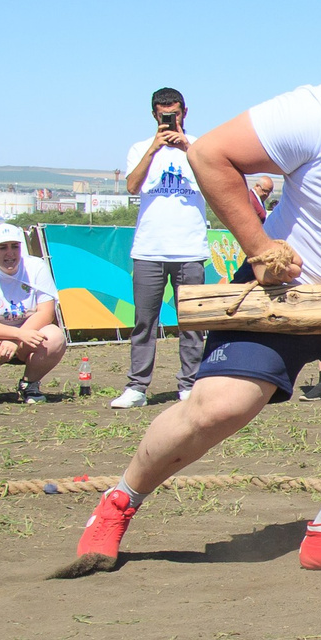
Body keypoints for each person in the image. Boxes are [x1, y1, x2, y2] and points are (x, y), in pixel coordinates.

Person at [72, 36, 321, 577]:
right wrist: (260, 248)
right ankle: (119, 503)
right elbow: (209, 153)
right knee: (221, 406)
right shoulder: (316, 113)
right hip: (285, 294)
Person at [113, 87, 210, 410]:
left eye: (175, 113)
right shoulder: (140, 148)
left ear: (185, 111)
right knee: (144, 322)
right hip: (149, 249)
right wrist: (154, 149)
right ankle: (137, 386)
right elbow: (132, 185)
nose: (170, 118)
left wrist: (187, 148)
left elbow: (215, 180)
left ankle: (190, 383)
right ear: (154, 115)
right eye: (163, 114)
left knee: (192, 324)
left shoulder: (201, 146)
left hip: (190, 248)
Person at [0, 225, 67, 403]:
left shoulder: (36, 267)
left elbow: (47, 313)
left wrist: (17, 340)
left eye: (14, 246)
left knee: (54, 338)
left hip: (28, 334)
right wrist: (17, 335)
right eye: (2, 248)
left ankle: (29, 384)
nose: (10, 253)